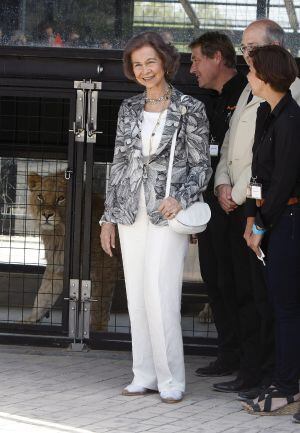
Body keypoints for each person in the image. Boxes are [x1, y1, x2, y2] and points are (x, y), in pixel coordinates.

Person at [100, 31, 211, 404]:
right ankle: (144, 374)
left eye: (150, 61)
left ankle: (170, 379)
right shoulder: (128, 109)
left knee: (161, 295)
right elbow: (118, 165)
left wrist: (180, 197)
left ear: (164, 61)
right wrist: (108, 218)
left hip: (167, 213)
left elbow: (201, 166)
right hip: (132, 212)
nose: (145, 70)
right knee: (136, 296)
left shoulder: (190, 109)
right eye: (138, 65)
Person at [214, 19, 300, 397]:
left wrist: (259, 218)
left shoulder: (290, 108)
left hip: (279, 216)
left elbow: (282, 174)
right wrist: (239, 202)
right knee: (253, 295)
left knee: (278, 303)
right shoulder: (261, 106)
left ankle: (279, 380)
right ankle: (256, 373)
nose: (244, 59)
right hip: (253, 210)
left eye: (251, 52)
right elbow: (244, 154)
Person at [243, 45, 300, 414]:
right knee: (281, 307)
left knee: (287, 310)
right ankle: (283, 382)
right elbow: (258, 175)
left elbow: (283, 182)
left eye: (251, 70)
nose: (247, 76)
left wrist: (261, 226)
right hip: (273, 221)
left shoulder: (292, 120)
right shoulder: (268, 114)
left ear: (265, 76)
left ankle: (287, 387)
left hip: (288, 223)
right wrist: (252, 217)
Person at [189, 32, 247, 377]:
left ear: (217, 58)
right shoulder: (203, 99)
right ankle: (228, 353)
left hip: (237, 206)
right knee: (214, 280)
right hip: (209, 206)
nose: (192, 68)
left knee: (237, 282)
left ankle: (247, 358)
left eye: (196, 59)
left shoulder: (246, 92)